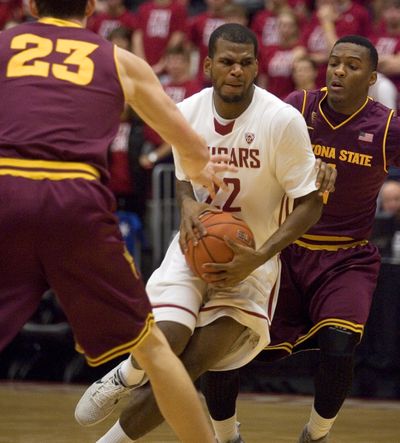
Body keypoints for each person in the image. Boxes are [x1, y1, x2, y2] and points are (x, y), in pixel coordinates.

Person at [79, 23, 337, 443]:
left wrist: (257, 256)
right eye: (227, 62)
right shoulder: (188, 112)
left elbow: (310, 203)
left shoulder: (281, 120)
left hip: (252, 265)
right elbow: (184, 174)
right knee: (166, 342)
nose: (236, 70)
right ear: (209, 65)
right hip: (194, 248)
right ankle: (127, 374)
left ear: (257, 67)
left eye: (245, 62)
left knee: (185, 367)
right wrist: (186, 201)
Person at [0, 0, 240, 441]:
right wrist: (201, 166)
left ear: (31, 5)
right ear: (91, 7)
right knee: (152, 351)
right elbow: (186, 142)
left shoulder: (4, 44)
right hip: (74, 196)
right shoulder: (117, 59)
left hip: (5, 188)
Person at [201, 34, 400, 443]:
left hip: (347, 258)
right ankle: (226, 437)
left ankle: (317, 434)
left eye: (352, 65)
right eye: (334, 63)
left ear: (373, 77)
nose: (339, 71)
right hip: (282, 250)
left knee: (341, 345)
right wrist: (310, 168)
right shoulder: (298, 107)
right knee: (223, 346)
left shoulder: (386, 128)